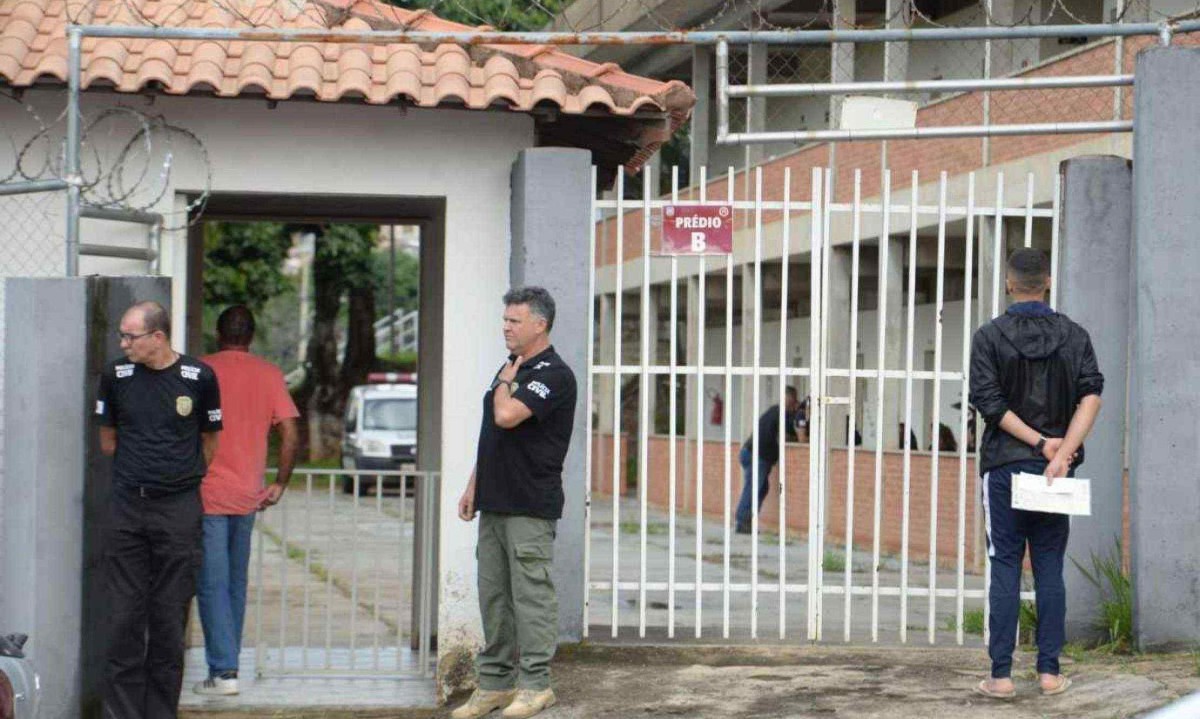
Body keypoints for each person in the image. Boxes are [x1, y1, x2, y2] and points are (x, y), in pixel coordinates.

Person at [969, 248, 1103, 700]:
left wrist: (1037, 443)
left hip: (1006, 466)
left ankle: (1001, 676)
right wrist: (1061, 451)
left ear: (1009, 284)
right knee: (1049, 567)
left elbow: (990, 403)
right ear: (1047, 281)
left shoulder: (989, 337)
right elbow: (1091, 397)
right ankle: (1049, 673)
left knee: (1005, 564)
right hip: (1053, 472)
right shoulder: (1075, 335)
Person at [452, 287, 578, 719]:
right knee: (495, 597)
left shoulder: (553, 374)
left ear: (539, 324)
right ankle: (495, 684)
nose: (505, 327)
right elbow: (493, 436)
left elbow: (506, 416)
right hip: (495, 500)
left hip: (529, 504)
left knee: (531, 597)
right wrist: (474, 485)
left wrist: (507, 381)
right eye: (505, 319)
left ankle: (537, 684)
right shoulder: (510, 368)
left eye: (514, 320)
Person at [95, 301, 222, 718]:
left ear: (158, 337)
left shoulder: (198, 378)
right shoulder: (116, 376)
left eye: (131, 335)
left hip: (178, 509)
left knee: (169, 619)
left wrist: (181, 477)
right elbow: (108, 440)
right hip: (129, 507)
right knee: (123, 618)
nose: (123, 342)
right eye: (122, 334)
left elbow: (209, 441)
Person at [194, 306, 300, 696]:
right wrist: (280, 483)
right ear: (251, 336)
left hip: (206, 495)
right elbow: (290, 434)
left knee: (211, 585)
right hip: (248, 496)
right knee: (234, 584)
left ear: (218, 334)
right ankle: (229, 667)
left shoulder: (199, 370)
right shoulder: (269, 374)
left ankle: (223, 672)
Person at [735, 387, 800, 534]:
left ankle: (746, 521)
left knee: (761, 488)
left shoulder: (775, 411)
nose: (793, 403)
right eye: (793, 400)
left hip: (750, 453)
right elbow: (793, 431)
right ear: (789, 399)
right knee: (753, 488)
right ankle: (742, 522)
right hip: (756, 455)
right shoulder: (781, 413)